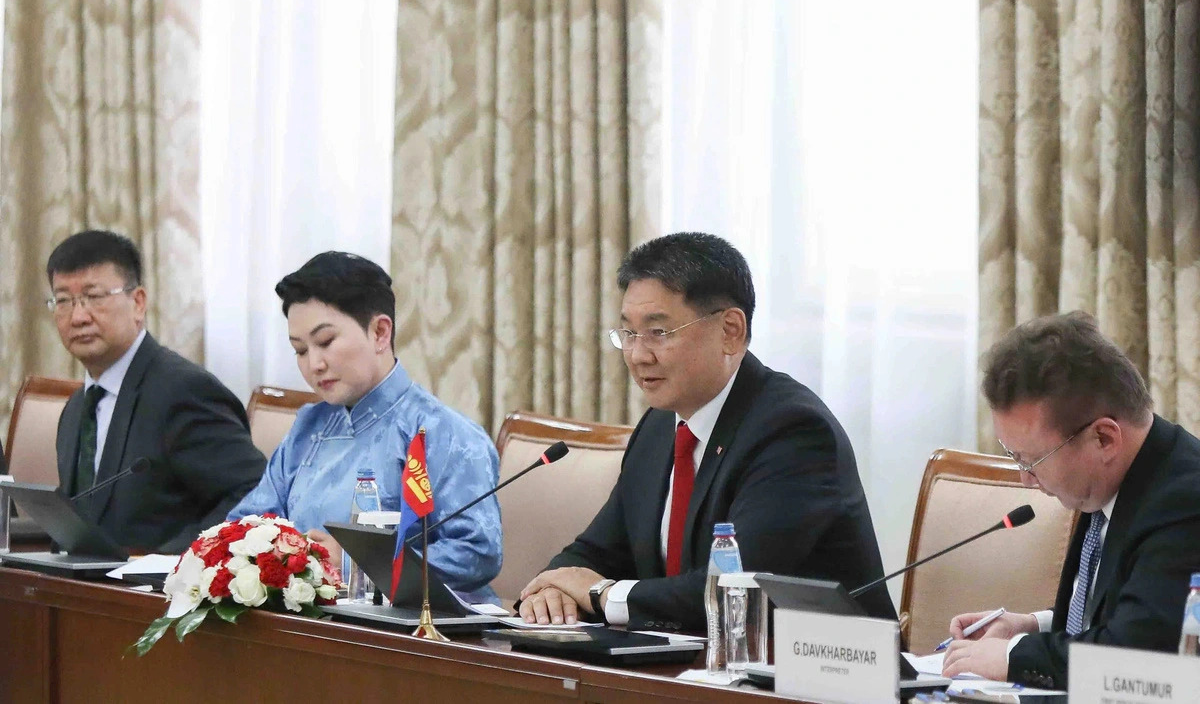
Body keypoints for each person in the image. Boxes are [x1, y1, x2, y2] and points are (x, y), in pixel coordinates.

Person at [518, 232, 895, 630]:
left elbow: (735, 589)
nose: (638, 355)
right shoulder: (660, 426)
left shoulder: (793, 432)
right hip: (689, 658)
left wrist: (603, 594)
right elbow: (595, 552)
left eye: (659, 332)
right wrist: (553, 589)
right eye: (628, 333)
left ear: (730, 330)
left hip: (808, 663)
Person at [943, 312, 1200, 689]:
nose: (1025, 478)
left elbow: (1133, 655)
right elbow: (1121, 610)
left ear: (1104, 439)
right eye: (1015, 457)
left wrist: (1015, 655)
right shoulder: (1112, 481)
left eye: (1032, 460)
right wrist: (1033, 625)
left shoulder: (1185, 503)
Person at [228, 251, 502, 598]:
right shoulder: (308, 427)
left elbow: (477, 551)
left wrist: (356, 564)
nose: (314, 364)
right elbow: (246, 526)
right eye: (300, 350)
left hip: (411, 626)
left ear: (379, 333)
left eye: (325, 342)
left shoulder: (443, 433)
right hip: (311, 619)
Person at [47, 230, 265, 554]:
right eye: (64, 300)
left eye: (94, 297)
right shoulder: (77, 407)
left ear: (138, 303)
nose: (78, 317)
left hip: (162, 582)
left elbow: (252, 496)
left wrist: (165, 561)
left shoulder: (184, 391)